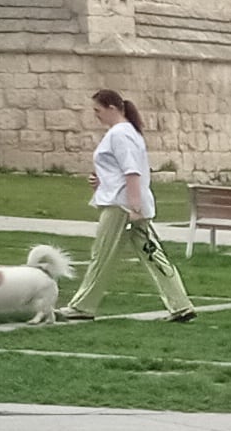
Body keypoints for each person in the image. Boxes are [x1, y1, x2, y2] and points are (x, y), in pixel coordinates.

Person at [61, 91, 192, 324]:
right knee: (152, 254)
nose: (96, 116)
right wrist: (101, 181)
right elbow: (122, 171)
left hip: (121, 206)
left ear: (112, 107)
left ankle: (83, 305)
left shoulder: (120, 134)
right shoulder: (126, 133)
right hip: (126, 202)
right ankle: (180, 304)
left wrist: (134, 206)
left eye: (97, 110)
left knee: (102, 255)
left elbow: (132, 171)